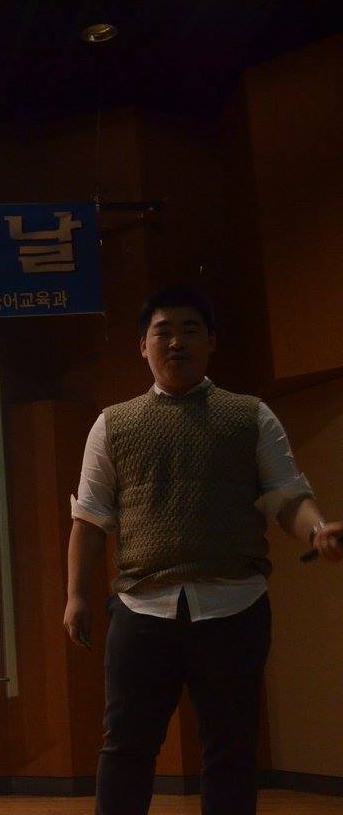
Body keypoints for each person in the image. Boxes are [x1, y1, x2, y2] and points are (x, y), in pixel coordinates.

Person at [61, 285, 342, 815]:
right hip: (142, 608)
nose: (176, 342)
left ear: (211, 341)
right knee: (125, 747)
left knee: (232, 751)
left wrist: (318, 530)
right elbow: (90, 518)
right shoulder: (112, 423)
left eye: (190, 330)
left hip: (235, 606)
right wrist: (76, 596)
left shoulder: (250, 415)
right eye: (162, 332)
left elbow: (288, 496)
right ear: (142, 345)